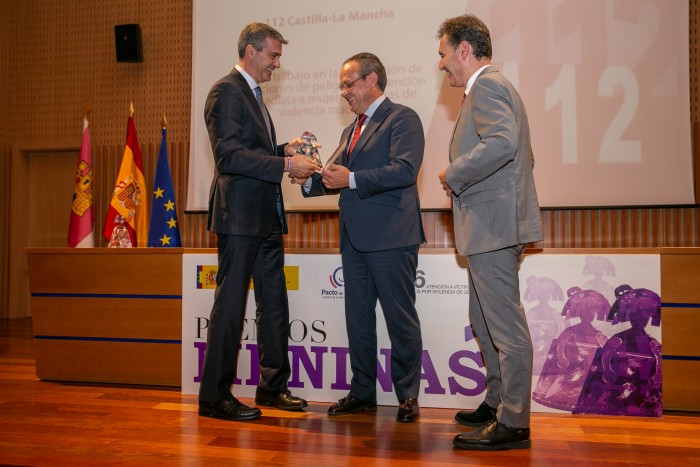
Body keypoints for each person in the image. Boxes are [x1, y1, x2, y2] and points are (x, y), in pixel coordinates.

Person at [291, 52, 425, 423]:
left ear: (371, 80)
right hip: (354, 239)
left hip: (392, 237)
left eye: (348, 84)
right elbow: (335, 176)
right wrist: (308, 182)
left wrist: (350, 179)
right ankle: (362, 392)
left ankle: (407, 396)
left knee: (400, 319)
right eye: (341, 86)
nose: (343, 92)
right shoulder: (351, 129)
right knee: (359, 319)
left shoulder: (403, 118)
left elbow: (404, 170)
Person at [198, 22, 318, 422]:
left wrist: (287, 149)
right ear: (251, 51)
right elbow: (229, 157)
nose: (277, 64)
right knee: (231, 304)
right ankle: (215, 396)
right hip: (239, 217)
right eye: (273, 55)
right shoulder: (226, 92)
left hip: (266, 215)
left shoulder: (253, 95)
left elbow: (255, 151)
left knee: (274, 304)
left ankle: (272, 386)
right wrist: (285, 162)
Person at [436, 14, 543, 450]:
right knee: (484, 319)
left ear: (464, 50)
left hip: (494, 228)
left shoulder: (488, 85)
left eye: (443, 54)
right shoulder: (485, 89)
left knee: (505, 328)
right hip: (492, 227)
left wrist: (453, 173)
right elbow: (522, 156)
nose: (442, 64)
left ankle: (514, 422)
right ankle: (497, 402)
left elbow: (503, 142)